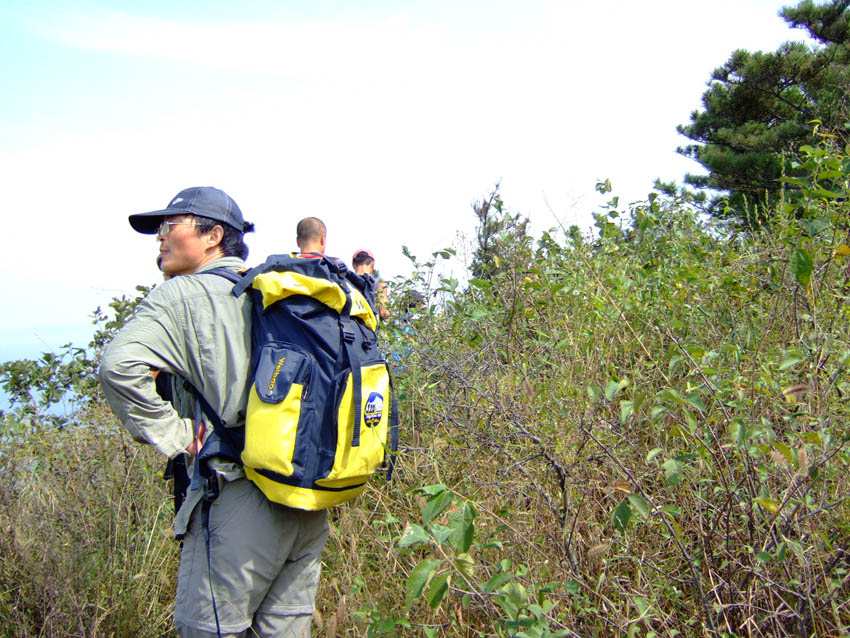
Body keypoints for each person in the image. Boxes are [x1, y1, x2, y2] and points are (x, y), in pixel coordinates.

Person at [99, 186, 329, 638]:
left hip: (238, 500)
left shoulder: (183, 295)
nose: (160, 237)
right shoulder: (278, 288)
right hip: (307, 496)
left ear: (213, 236)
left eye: (170, 225)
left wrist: (178, 434)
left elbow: (117, 367)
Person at [352, 249, 391, 321]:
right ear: (372, 265)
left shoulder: (346, 280)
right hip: (369, 326)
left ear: (353, 265)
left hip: (348, 325)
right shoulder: (379, 283)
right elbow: (384, 313)